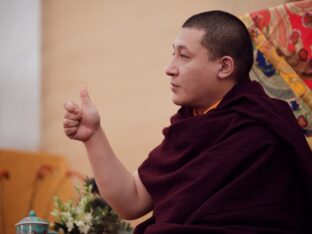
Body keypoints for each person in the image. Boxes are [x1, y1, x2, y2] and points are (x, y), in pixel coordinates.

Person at [63, 10, 312, 233]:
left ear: (224, 66)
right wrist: (93, 135)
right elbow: (132, 200)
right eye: (173, 54)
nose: (169, 68)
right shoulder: (189, 127)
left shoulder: (262, 130)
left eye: (184, 56)